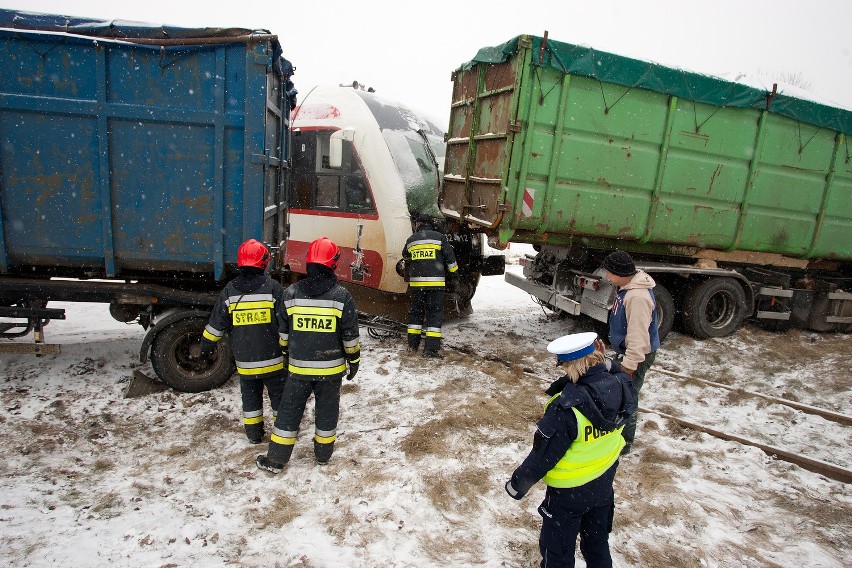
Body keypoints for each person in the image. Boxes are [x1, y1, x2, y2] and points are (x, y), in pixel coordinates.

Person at [505, 332, 636, 568]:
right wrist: (606, 361)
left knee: (559, 553)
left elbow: (543, 455)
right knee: (597, 545)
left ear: (571, 366)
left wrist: (517, 484)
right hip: (603, 484)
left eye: (564, 366)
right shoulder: (621, 386)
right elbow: (617, 374)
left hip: (568, 494)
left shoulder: (566, 408)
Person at [256, 237, 360, 473]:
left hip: (298, 370)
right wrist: (353, 361)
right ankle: (323, 456)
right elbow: (350, 337)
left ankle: (277, 458)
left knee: (289, 411)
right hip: (331, 372)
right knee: (327, 411)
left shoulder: (291, 293)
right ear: (333, 263)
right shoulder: (342, 296)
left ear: (309, 262)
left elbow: (283, 332)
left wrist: (285, 354)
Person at [199, 239, 287, 445]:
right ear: (263, 262)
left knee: (250, 399)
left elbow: (216, 325)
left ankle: (254, 434)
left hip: (245, 361)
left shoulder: (230, 290)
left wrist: (205, 347)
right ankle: (283, 430)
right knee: (279, 397)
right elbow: (285, 322)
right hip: (272, 359)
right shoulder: (273, 288)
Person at [601, 250, 660, 455]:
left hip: (637, 355)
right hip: (628, 352)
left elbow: (638, 336)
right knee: (621, 395)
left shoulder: (637, 297)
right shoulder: (627, 288)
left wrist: (629, 365)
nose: (607, 276)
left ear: (618, 272)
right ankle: (618, 436)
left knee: (628, 397)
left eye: (609, 272)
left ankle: (624, 444)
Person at [402, 214, 459, 359]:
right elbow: (450, 258)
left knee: (415, 314)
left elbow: (405, 256)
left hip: (417, 286)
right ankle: (430, 350)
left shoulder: (411, 240)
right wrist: (454, 276)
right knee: (434, 315)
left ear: (418, 224)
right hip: (436, 285)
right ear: (430, 224)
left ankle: (412, 345)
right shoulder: (439, 237)